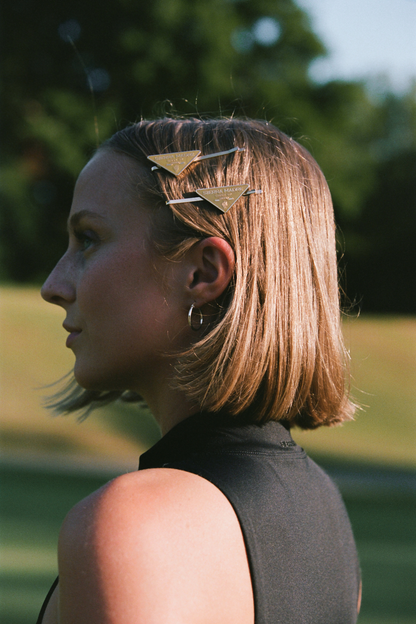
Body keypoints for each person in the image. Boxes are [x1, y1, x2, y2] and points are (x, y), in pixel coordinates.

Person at [38, 117, 361, 624]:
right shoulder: (322, 511)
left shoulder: (133, 525)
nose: (54, 285)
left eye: (89, 239)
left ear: (204, 273)